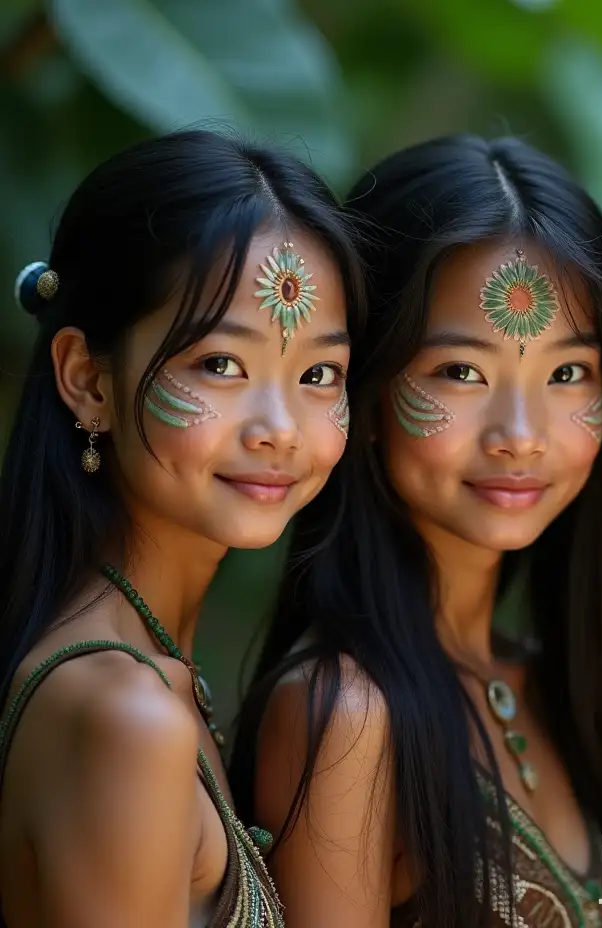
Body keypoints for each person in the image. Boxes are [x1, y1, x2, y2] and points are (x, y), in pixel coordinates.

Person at [228, 134, 602, 928]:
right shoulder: (344, 713)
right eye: (461, 373)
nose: (521, 434)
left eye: (567, 374)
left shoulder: (553, 683)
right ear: (366, 390)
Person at [0, 129, 365, 927]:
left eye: (318, 374)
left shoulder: (144, 678)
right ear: (87, 380)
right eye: (221, 365)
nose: (279, 427)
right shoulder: (123, 717)